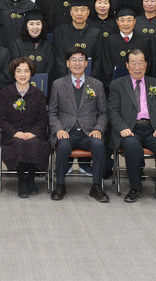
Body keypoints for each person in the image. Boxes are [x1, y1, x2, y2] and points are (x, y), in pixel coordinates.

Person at [107, 49, 156, 204]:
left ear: (146, 64)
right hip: (130, 129)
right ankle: (135, 188)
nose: (137, 67)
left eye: (141, 62)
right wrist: (122, 128)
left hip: (152, 128)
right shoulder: (117, 85)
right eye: (133, 63)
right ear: (127, 65)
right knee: (133, 148)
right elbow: (113, 111)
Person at [48, 47, 109, 202]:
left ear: (86, 63)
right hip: (66, 132)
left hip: (89, 133)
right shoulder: (58, 84)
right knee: (63, 146)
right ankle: (60, 185)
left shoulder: (97, 85)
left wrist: (98, 129)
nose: (77, 63)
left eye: (81, 60)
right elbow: (52, 112)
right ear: (67, 63)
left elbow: (103, 113)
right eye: (73, 60)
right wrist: (58, 129)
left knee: (99, 145)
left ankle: (97, 186)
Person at [0, 57, 49, 198]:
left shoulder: (38, 94)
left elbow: (43, 119)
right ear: (14, 74)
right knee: (19, 143)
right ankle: (21, 181)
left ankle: (30, 178)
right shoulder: (5, 93)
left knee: (32, 143)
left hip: (33, 133)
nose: (22, 74)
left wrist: (33, 133)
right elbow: (1, 118)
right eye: (19, 71)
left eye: (26, 71)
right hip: (12, 135)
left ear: (31, 74)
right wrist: (15, 132)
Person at [100, 3, 150, 92]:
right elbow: (106, 65)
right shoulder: (109, 41)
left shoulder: (142, 42)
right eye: (122, 20)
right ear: (117, 22)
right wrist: (111, 85)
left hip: (137, 87)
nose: (126, 24)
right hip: (114, 87)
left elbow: (147, 66)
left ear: (134, 22)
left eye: (129, 20)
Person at [52, 0, 101, 81]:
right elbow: (59, 60)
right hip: (65, 81)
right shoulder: (60, 32)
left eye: (83, 10)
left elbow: (97, 61)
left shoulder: (96, 33)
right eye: (76, 10)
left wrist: (90, 81)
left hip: (89, 82)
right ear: (71, 12)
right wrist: (67, 81)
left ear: (88, 12)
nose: (79, 14)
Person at [9, 8, 54, 77]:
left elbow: (50, 70)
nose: (35, 27)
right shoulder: (17, 45)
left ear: (42, 26)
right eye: (31, 24)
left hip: (43, 83)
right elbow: (14, 69)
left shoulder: (48, 46)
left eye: (38, 24)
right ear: (26, 26)